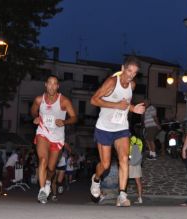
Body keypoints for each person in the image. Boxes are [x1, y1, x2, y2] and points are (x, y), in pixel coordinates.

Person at [90, 56, 145, 207]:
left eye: (134, 72)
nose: (131, 75)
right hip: (105, 128)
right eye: (129, 71)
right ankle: (95, 179)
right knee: (105, 164)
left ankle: (122, 194)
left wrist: (134, 108)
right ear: (122, 68)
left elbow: (125, 104)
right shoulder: (111, 82)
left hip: (121, 127)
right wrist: (115, 105)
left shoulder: (132, 85)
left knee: (123, 159)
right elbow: (94, 100)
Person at [31, 75, 77, 204]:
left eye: (54, 84)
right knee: (43, 159)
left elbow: (74, 117)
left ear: (58, 86)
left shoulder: (64, 101)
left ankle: (48, 182)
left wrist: (65, 121)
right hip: (43, 132)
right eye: (49, 83)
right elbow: (33, 111)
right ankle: (41, 191)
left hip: (57, 137)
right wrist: (35, 117)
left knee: (51, 169)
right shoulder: (39, 100)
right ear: (46, 85)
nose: (52, 86)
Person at [129, 135, 144, 204]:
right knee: (138, 182)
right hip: (137, 163)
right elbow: (141, 150)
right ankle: (140, 198)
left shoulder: (127, 141)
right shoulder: (139, 141)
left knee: (123, 180)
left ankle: (122, 197)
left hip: (128, 162)